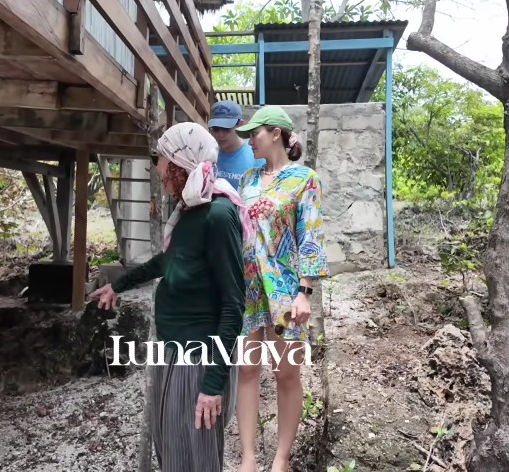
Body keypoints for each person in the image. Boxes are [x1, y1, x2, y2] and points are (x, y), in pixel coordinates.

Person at [88, 121, 253, 472]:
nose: (158, 169)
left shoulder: (218, 215)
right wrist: (118, 285)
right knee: (174, 451)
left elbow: (233, 304)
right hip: (174, 349)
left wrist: (212, 384)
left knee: (196, 457)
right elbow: (169, 261)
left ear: (180, 164)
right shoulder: (190, 211)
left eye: (160, 160)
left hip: (200, 356)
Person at [232, 106, 329, 472]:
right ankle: (248, 457)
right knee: (246, 371)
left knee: (285, 373)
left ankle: (281, 459)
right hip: (248, 290)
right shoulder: (248, 180)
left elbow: (311, 237)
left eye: (253, 134)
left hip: (286, 292)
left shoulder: (304, 179)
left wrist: (305, 292)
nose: (249, 141)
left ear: (275, 133)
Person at [208, 100, 265, 189]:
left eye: (226, 129)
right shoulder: (207, 154)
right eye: (216, 129)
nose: (220, 134)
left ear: (240, 125)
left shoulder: (257, 156)